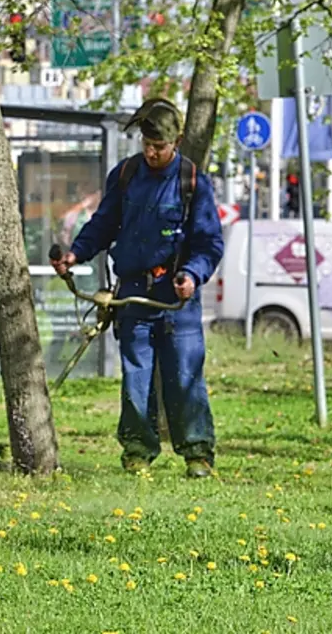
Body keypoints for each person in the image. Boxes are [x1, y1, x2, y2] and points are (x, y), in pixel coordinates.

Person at [50, 98, 225, 478]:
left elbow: (210, 243)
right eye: (146, 144)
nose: (151, 152)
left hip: (177, 298)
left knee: (184, 376)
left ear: (176, 141)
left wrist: (192, 275)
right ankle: (137, 450)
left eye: (159, 147)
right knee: (136, 377)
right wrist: (75, 255)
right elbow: (103, 224)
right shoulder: (126, 176)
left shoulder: (193, 183)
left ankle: (198, 454)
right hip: (132, 295)